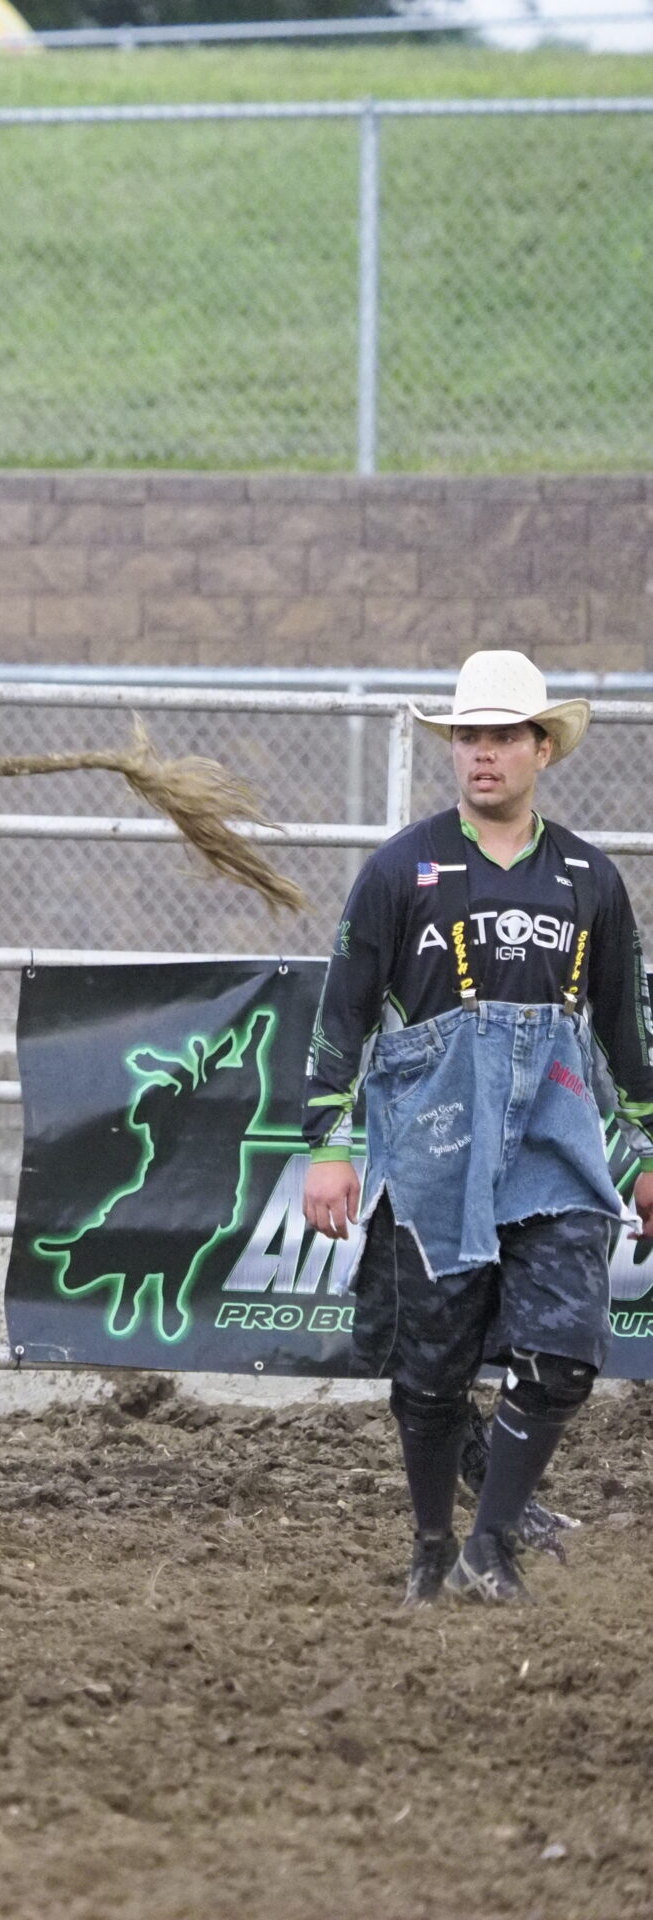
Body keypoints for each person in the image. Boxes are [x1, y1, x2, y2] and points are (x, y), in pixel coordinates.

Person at [301, 649, 653, 1606]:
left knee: (569, 1345)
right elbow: (343, 1012)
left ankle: (488, 1544)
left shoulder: (587, 877)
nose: (482, 754)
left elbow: (624, 1021)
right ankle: (431, 1544)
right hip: (436, 1141)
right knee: (433, 1361)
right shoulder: (398, 870)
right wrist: (330, 1144)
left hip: (553, 1137)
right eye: (468, 736)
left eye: (502, 736)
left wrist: (649, 1150)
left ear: (544, 749)